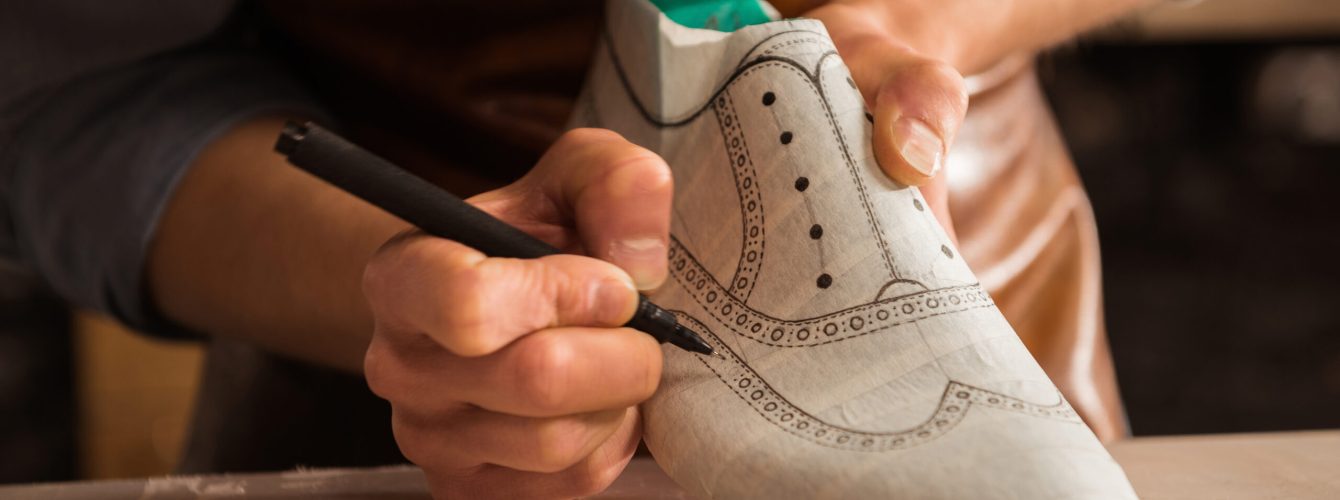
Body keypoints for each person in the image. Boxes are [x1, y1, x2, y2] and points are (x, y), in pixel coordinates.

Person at [0, 0, 1150, 497]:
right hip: (396, 387)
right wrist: (407, 282)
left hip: (981, 272)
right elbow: (77, 90)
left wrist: (927, 25)